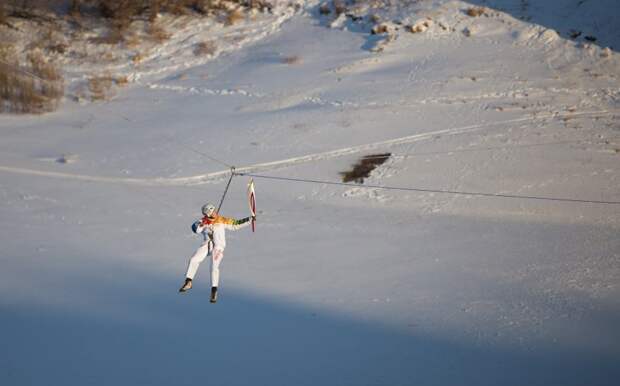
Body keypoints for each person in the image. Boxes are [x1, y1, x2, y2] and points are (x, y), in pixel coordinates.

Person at [179, 202, 254, 303]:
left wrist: (249, 219)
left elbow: (236, 224)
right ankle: (188, 282)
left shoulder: (221, 220)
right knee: (194, 259)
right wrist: (203, 223)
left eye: (214, 210)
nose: (215, 212)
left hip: (218, 247)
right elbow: (194, 228)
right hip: (207, 245)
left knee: (214, 266)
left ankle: (214, 290)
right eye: (212, 211)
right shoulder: (203, 221)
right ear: (207, 213)